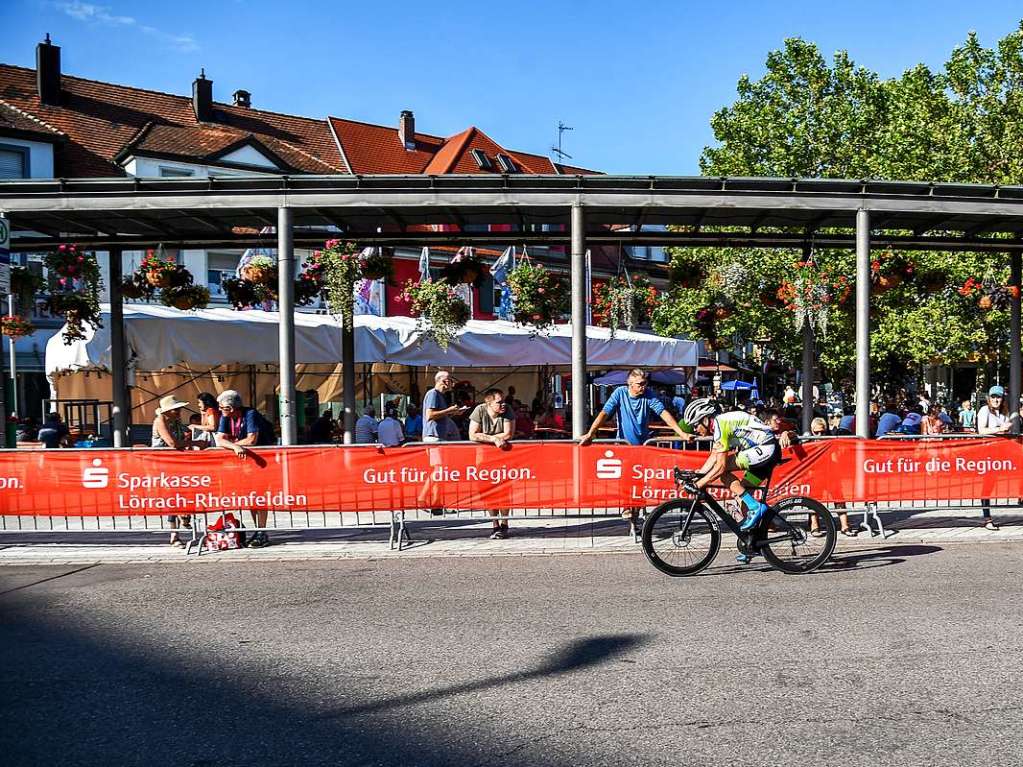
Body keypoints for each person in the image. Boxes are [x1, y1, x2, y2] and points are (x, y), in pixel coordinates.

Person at [580, 369, 694, 534]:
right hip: (624, 446)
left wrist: (681, 433)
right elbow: (604, 413)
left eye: (645, 383)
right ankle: (627, 508)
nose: (643, 386)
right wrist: (591, 433)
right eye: (640, 384)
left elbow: (663, 413)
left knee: (640, 483)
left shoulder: (649, 395)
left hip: (642, 446)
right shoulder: (620, 393)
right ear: (630, 384)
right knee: (626, 480)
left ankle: (636, 516)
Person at [685, 398, 794, 564]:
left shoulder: (721, 423)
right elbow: (714, 457)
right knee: (743, 502)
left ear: (705, 419)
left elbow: (720, 466)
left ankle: (755, 506)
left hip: (765, 449)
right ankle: (750, 544)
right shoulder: (719, 426)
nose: (694, 429)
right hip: (763, 454)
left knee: (723, 472)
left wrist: (700, 484)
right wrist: (698, 475)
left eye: (695, 424)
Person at [214, 390, 277, 548]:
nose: (220, 410)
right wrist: (235, 447)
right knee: (251, 496)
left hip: (262, 460)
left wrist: (235, 445)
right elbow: (219, 440)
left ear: (231, 407)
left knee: (260, 496)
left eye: (222, 408)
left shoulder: (251, 414)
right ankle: (257, 529)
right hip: (245, 462)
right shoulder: (225, 417)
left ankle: (262, 531)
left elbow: (252, 439)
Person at [468, 388, 515, 539]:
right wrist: (494, 439)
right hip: (484, 460)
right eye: (499, 402)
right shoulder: (479, 411)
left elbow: (508, 433)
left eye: (504, 401)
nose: (503, 404)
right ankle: (494, 524)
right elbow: (472, 435)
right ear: (488, 403)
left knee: (504, 492)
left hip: (504, 459)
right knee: (488, 493)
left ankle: (505, 523)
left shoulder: (507, 411)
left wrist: (485, 437)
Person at [151, 395, 194, 546]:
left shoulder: (176, 421)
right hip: (164, 465)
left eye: (179, 409)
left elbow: (185, 433)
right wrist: (194, 441)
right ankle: (174, 535)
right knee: (172, 499)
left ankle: (185, 516)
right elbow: (172, 443)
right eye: (176, 410)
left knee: (183, 494)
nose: (179, 412)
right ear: (167, 411)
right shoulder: (160, 421)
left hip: (178, 464)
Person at [976, 385, 1010, 531]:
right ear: (989, 398)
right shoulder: (984, 410)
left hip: (1003, 453)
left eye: (999, 397)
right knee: (988, 486)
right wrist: (999, 429)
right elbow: (981, 430)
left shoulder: (1004, 412)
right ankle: (987, 518)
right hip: (988, 453)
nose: (996, 400)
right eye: (994, 397)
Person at [423, 370, 467, 443]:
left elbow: (440, 416)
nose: (453, 384)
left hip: (440, 437)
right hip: (434, 437)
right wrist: (449, 410)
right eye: (451, 381)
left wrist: (454, 412)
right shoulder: (433, 394)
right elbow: (430, 415)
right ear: (445, 382)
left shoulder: (441, 395)